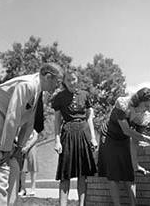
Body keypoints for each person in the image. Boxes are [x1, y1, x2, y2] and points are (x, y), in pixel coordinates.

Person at [0, 62, 63, 206]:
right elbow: (13, 116)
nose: (58, 86)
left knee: (14, 166)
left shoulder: (38, 92)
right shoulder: (27, 85)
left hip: (0, 125)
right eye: (58, 82)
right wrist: (6, 149)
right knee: (0, 170)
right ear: (48, 77)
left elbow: (29, 123)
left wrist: (18, 148)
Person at [98, 87, 150, 206]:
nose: (148, 109)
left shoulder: (145, 116)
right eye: (146, 105)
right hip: (109, 137)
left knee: (129, 175)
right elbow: (126, 130)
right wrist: (149, 139)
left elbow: (135, 140)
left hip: (124, 139)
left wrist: (136, 164)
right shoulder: (123, 104)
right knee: (114, 175)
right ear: (138, 101)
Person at [52, 69, 97, 206]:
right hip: (68, 133)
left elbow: (89, 118)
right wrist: (57, 140)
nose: (71, 82)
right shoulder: (59, 97)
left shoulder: (85, 95)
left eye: (73, 79)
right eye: (68, 80)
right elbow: (57, 120)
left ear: (77, 79)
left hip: (83, 133)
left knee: (83, 174)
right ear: (64, 82)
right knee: (65, 174)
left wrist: (93, 138)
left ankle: (81, 204)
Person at [18, 130, 39, 197]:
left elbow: (35, 137)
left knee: (33, 168)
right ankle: (23, 189)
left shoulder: (32, 125)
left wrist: (28, 146)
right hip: (22, 147)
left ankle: (33, 189)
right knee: (22, 169)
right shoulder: (19, 125)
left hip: (31, 147)